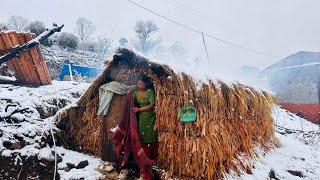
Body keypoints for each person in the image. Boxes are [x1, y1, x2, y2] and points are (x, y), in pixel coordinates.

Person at [131, 74, 158, 179]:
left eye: (141, 83)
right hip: (142, 118)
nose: (139, 85)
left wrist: (139, 110)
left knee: (151, 134)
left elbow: (152, 105)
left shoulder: (150, 92)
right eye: (138, 83)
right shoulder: (136, 93)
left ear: (146, 84)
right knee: (142, 135)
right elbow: (132, 102)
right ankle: (144, 156)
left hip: (151, 116)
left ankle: (152, 155)